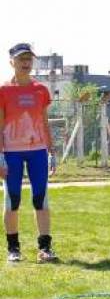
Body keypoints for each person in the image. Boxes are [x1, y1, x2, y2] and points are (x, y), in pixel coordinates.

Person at [0, 43, 58, 263]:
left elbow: (44, 122)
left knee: (40, 199)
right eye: (21, 59)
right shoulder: (3, 91)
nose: (25, 63)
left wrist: (51, 151)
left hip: (38, 151)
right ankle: (13, 249)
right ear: (11, 62)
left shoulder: (40, 90)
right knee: (12, 199)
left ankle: (45, 248)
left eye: (29, 59)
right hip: (11, 152)